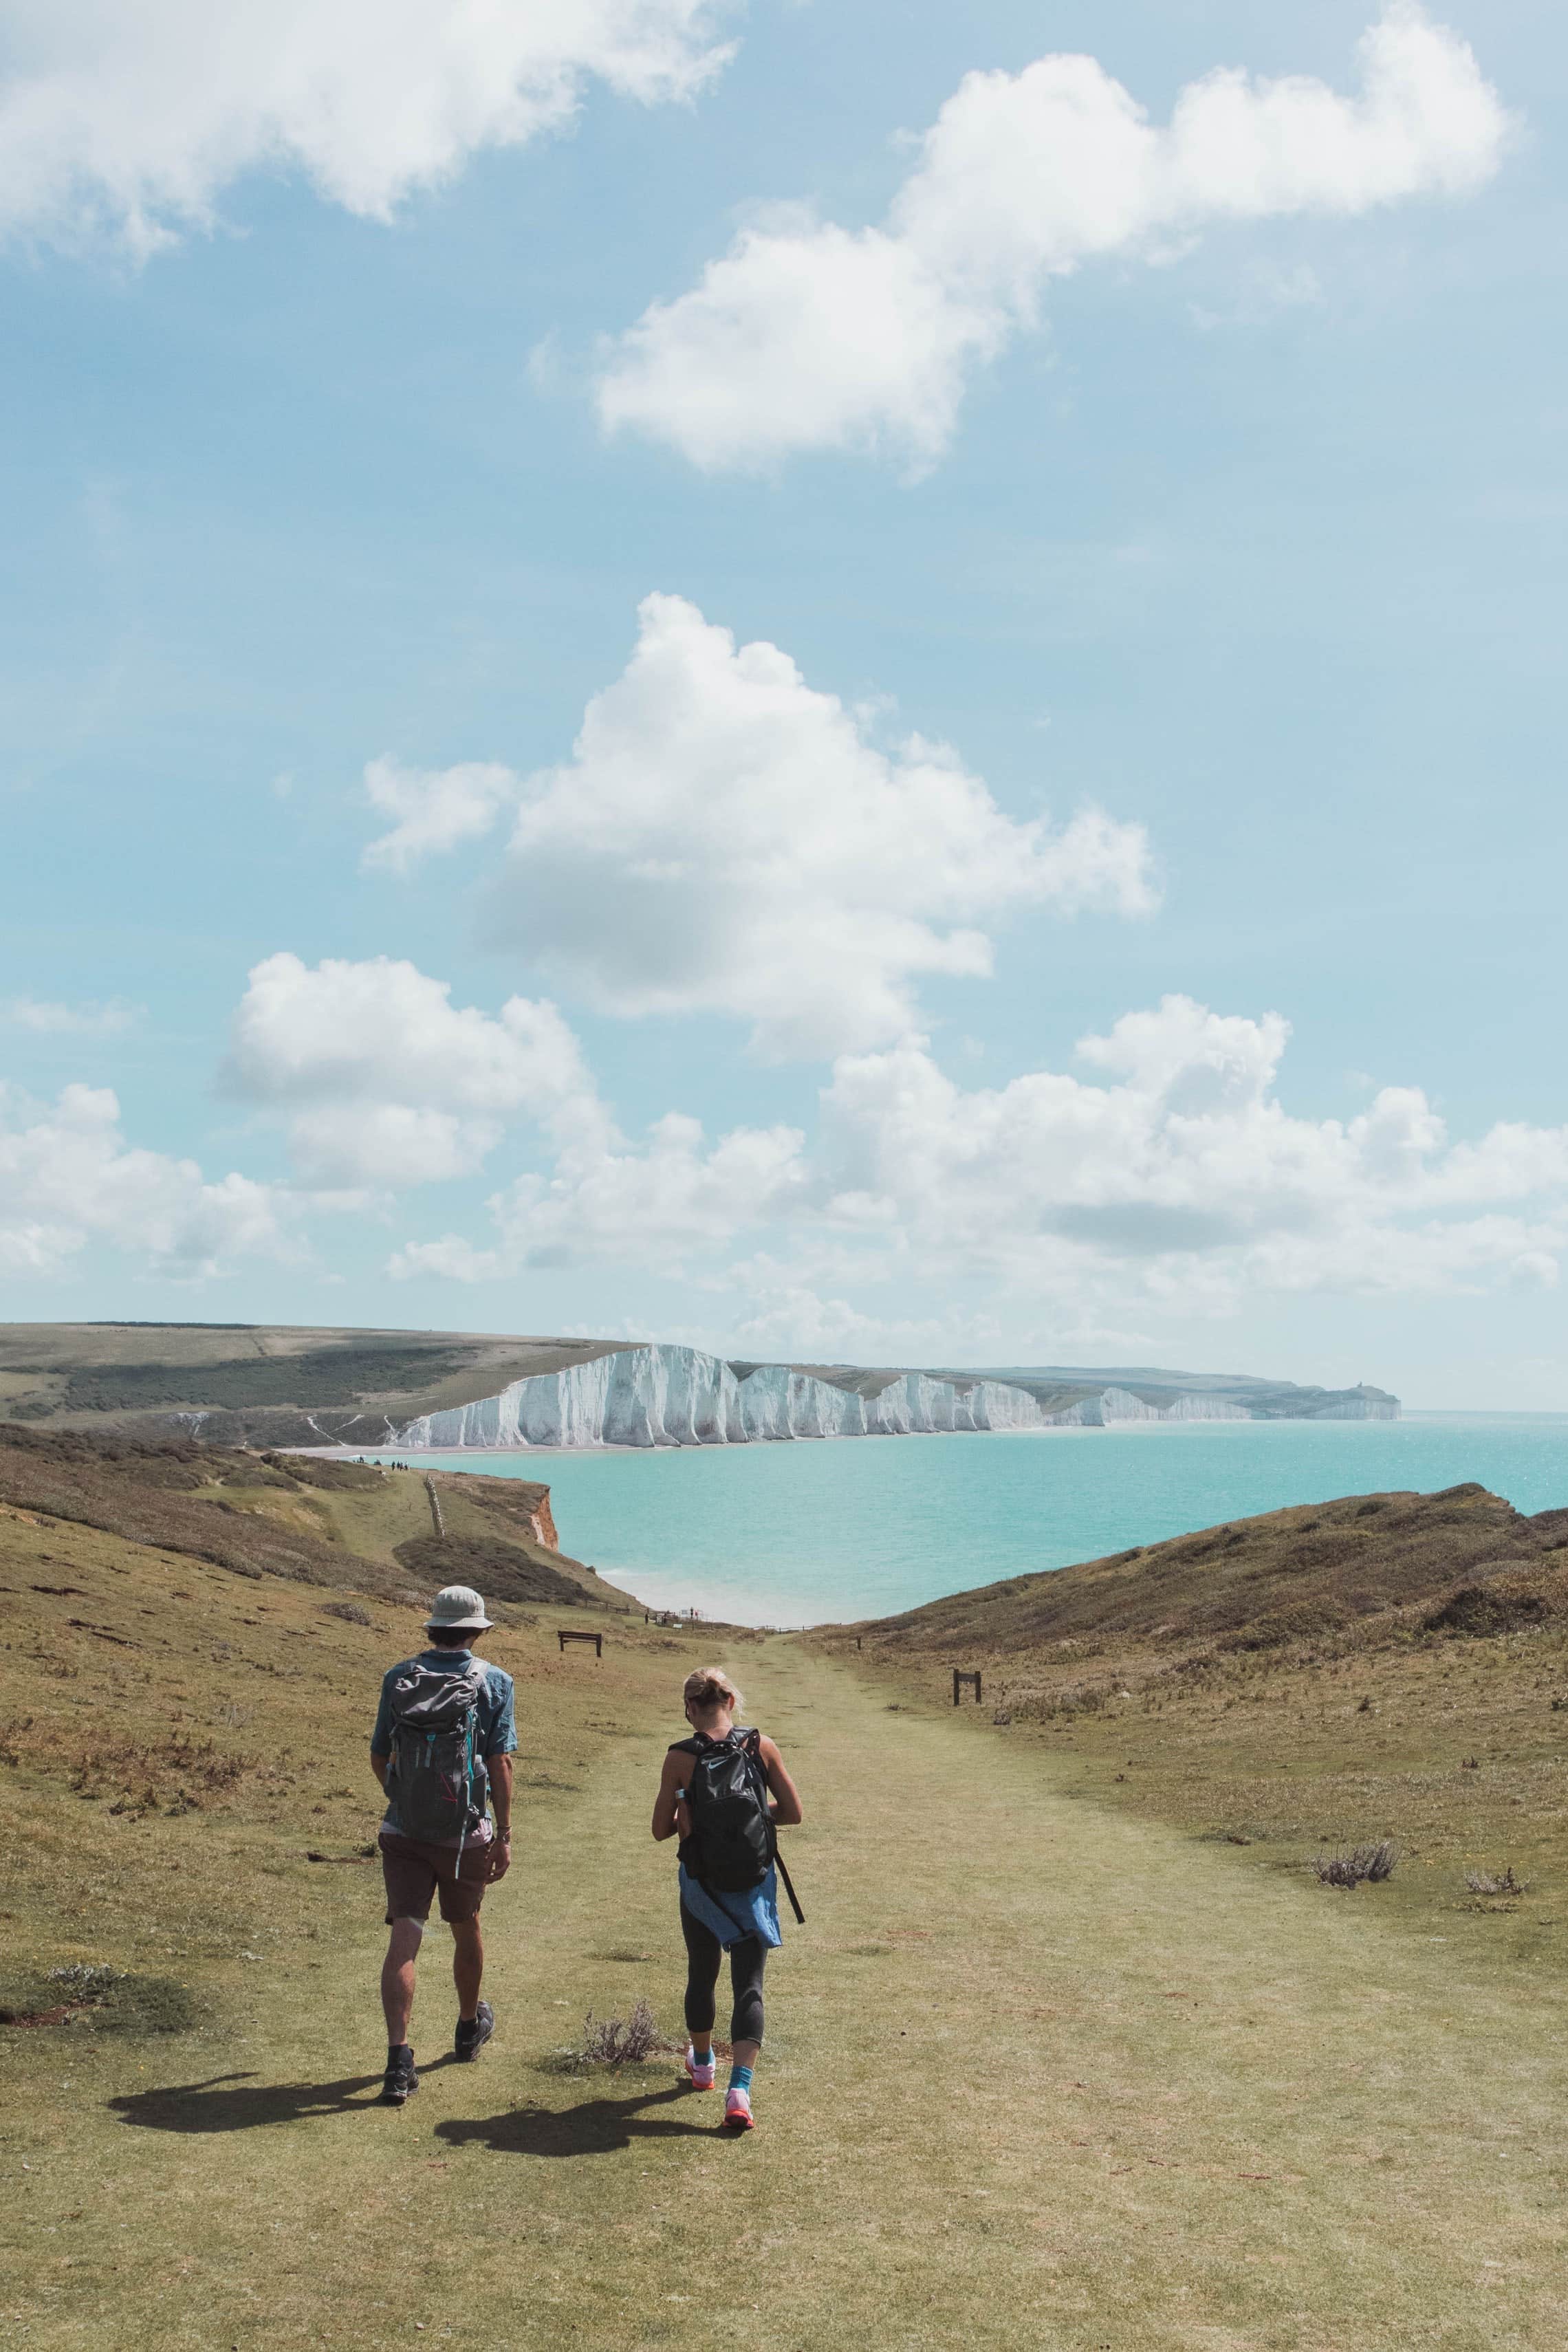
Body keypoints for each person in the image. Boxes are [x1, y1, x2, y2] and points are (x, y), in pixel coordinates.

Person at [370, 1585, 515, 2105]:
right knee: (465, 1927)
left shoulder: (399, 1677)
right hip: (464, 1837)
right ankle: (466, 2027)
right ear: (476, 1631)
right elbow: (500, 1763)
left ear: (432, 1628)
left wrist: (405, 1801)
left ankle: (397, 2061)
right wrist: (504, 1833)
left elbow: (380, 1754)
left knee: (405, 1936)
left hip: (402, 1831)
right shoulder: (494, 1682)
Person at [651, 1667, 803, 2131]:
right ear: (731, 1703)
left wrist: (689, 1813)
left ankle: (702, 2066)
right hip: (754, 1881)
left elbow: (660, 1830)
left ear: (690, 1708)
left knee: (702, 1972)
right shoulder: (761, 1745)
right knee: (749, 1985)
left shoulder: (679, 1756)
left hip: (701, 1883)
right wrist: (753, 1817)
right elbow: (793, 1813)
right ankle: (741, 2090)